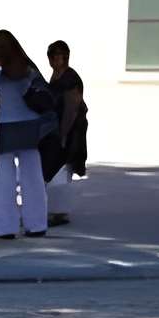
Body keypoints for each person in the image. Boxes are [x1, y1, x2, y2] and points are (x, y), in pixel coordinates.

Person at [0, 30, 52, 239]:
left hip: (6, 126)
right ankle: (36, 224)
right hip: (30, 125)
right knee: (33, 177)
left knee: (4, 180)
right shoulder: (28, 68)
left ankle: (5, 227)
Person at [41, 39, 89, 227]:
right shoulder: (57, 75)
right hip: (58, 128)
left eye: (59, 56)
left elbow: (72, 108)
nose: (55, 60)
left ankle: (59, 212)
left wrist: (63, 134)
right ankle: (56, 210)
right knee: (56, 169)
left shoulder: (70, 78)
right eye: (53, 56)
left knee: (62, 169)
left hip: (70, 129)